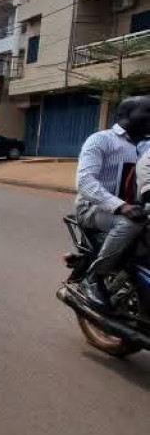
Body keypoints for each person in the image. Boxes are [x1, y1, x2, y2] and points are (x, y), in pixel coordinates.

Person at [75, 95, 150, 310]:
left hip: (134, 208)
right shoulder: (101, 139)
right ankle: (93, 277)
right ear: (125, 115)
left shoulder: (145, 147)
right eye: (148, 111)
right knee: (130, 223)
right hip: (92, 209)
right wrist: (121, 206)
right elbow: (85, 182)